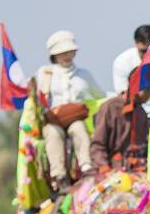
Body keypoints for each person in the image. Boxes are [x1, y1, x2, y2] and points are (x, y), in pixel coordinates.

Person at [36, 30, 103, 191]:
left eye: (70, 52)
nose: (67, 56)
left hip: (76, 119)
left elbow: (99, 96)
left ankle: (86, 166)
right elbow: (37, 100)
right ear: (54, 55)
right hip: (54, 120)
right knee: (52, 133)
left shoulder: (84, 75)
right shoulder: (45, 73)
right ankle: (59, 175)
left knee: (79, 129)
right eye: (62, 53)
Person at [90, 68, 150, 171]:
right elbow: (97, 145)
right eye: (147, 90)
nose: (149, 94)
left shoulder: (141, 113)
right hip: (112, 168)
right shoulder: (110, 107)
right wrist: (104, 167)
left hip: (137, 169)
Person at [112, 24, 150, 94]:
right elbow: (122, 94)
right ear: (136, 42)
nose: (147, 56)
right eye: (144, 51)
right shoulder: (122, 62)